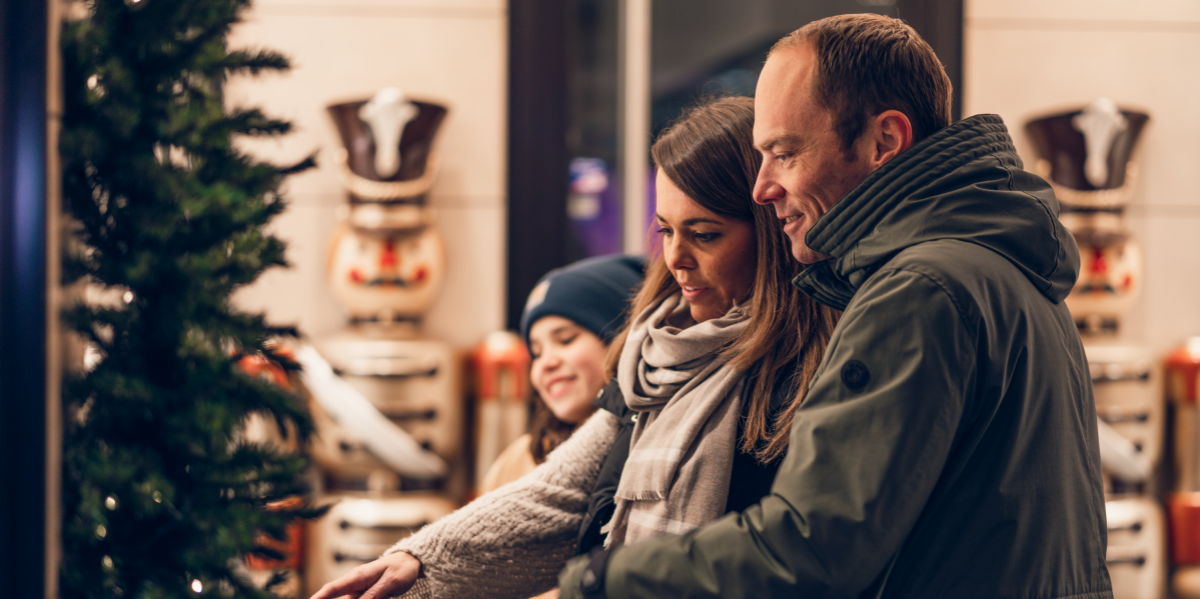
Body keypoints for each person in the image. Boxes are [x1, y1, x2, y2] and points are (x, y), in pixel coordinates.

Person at [555, 13, 1113, 599]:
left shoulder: (918, 290)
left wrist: (601, 583)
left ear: (884, 142)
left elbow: (811, 545)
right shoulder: (1000, 264)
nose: (761, 187)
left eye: (785, 153)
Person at [308, 96, 838, 599]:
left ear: (769, 233)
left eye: (703, 234)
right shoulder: (650, 353)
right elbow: (562, 492)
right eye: (666, 230)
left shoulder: (810, 370)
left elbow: (783, 552)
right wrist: (420, 561)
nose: (675, 258)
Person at [478, 254, 644, 494]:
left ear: (621, 342)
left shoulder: (651, 450)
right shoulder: (520, 458)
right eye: (536, 352)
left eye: (565, 340)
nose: (547, 363)